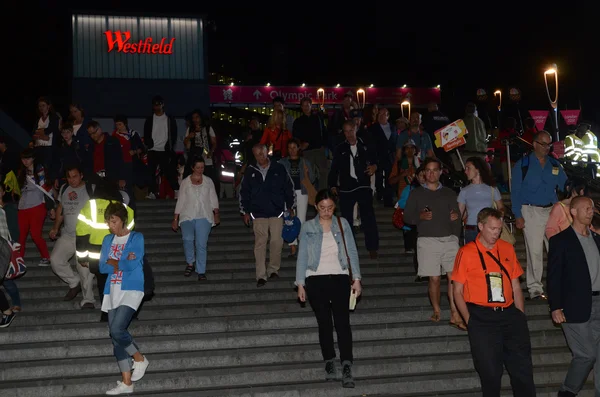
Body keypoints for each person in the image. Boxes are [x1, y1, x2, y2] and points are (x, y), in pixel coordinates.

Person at [452, 208, 536, 397]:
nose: (496, 233)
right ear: (480, 227)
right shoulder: (466, 252)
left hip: (509, 314)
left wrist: (520, 314)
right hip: (481, 317)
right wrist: (470, 320)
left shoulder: (506, 247)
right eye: (492, 229)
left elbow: (516, 286)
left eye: (499, 229)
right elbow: (457, 290)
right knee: (490, 373)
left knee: (522, 371)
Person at [295, 189, 361, 388]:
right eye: (322, 208)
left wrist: (356, 278)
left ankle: (347, 364)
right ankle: (329, 361)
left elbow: (351, 250)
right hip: (315, 278)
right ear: (316, 207)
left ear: (334, 207)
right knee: (324, 323)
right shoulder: (308, 227)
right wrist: (300, 283)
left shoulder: (343, 224)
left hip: (340, 277)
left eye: (330, 208)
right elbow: (303, 256)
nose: (326, 211)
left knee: (342, 323)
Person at [548, 196, 600, 397]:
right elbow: (554, 276)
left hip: (598, 302)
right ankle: (567, 393)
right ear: (573, 212)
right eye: (586, 208)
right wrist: (555, 306)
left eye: (592, 208)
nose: (590, 211)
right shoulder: (560, 241)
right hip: (573, 305)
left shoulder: (596, 239)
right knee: (586, 355)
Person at [403, 158, 463, 328]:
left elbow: (457, 217)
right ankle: (437, 309)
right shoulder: (416, 193)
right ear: (423, 173)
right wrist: (419, 217)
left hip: (449, 239)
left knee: (453, 277)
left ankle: (454, 311)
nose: (431, 173)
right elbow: (407, 217)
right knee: (435, 278)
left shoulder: (450, 193)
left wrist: (456, 233)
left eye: (435, 170)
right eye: (428, 170)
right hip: (427, 240)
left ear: (440, 172)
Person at [511, 130, 567, 300]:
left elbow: (565, 186)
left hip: (551, 211)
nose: (547, 147)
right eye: (543, 144)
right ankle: (535, 287)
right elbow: (516, 192)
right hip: (530, 210)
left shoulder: (555, 164)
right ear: (534, 144)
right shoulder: (523, 165)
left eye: (549, 144)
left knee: (556, 249)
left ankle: (558, 284)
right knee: (534, 251)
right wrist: (517, 214)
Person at [100, 202, 149, 395]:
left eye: (114, 221)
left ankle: (139, 359)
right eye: (108, 221)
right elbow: (103, 267)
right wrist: (121, 261)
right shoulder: (107, 239)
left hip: (132, 288)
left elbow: (133, 264)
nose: (110, 225)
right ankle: (127, 382)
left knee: (117, 328)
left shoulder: (136, 237)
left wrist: (115, 262)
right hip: (112, 289)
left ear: (123, 220)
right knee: (115, 338)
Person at [240, 144, 295, 287]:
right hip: (258, 212)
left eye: (262, 154)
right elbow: (243, 192)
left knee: (277, 240)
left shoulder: (278, 168)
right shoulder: (250, 171)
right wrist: (245, 211)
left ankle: (273, 269)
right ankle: (261, 275)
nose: (260, 157)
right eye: (257, 154)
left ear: (267, 153)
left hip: (277, 211)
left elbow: (289, 187)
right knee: (260, 242)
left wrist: (290, 206)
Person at [172, 157, 219, 280]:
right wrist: (175, 218)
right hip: (187, 214)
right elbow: (181, 200)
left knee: (201, 243)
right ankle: (190, 263)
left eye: (202, 167)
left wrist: (216, 213)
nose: (200, 170)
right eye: (198, 167)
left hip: (204, 215)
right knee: (187, 239)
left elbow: (213, 198)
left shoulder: (208, 181)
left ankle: (201, 270)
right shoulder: (185, 182)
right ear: (192, 167)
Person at [279, 138, 315, 257]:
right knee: (289, 218)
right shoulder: (282, 162)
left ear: (298, 148)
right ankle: (293, 246)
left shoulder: (305, 162)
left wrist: (307, 172)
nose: (292, 150)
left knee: (301, 219)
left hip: (302, 192)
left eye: (294, 147)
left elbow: (313, 178)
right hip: (288, 192)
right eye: (290, 148)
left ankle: (302, 245)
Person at [458, 156, 504, 243]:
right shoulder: (464, 191)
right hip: (471, 230)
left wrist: (498, 219)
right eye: (465, 168)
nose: (465, 171)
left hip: (488, 229)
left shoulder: (492, 188)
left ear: (478, 169)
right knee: (473, 255)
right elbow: (459, 214)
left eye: (468, 168)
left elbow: (501, 207)